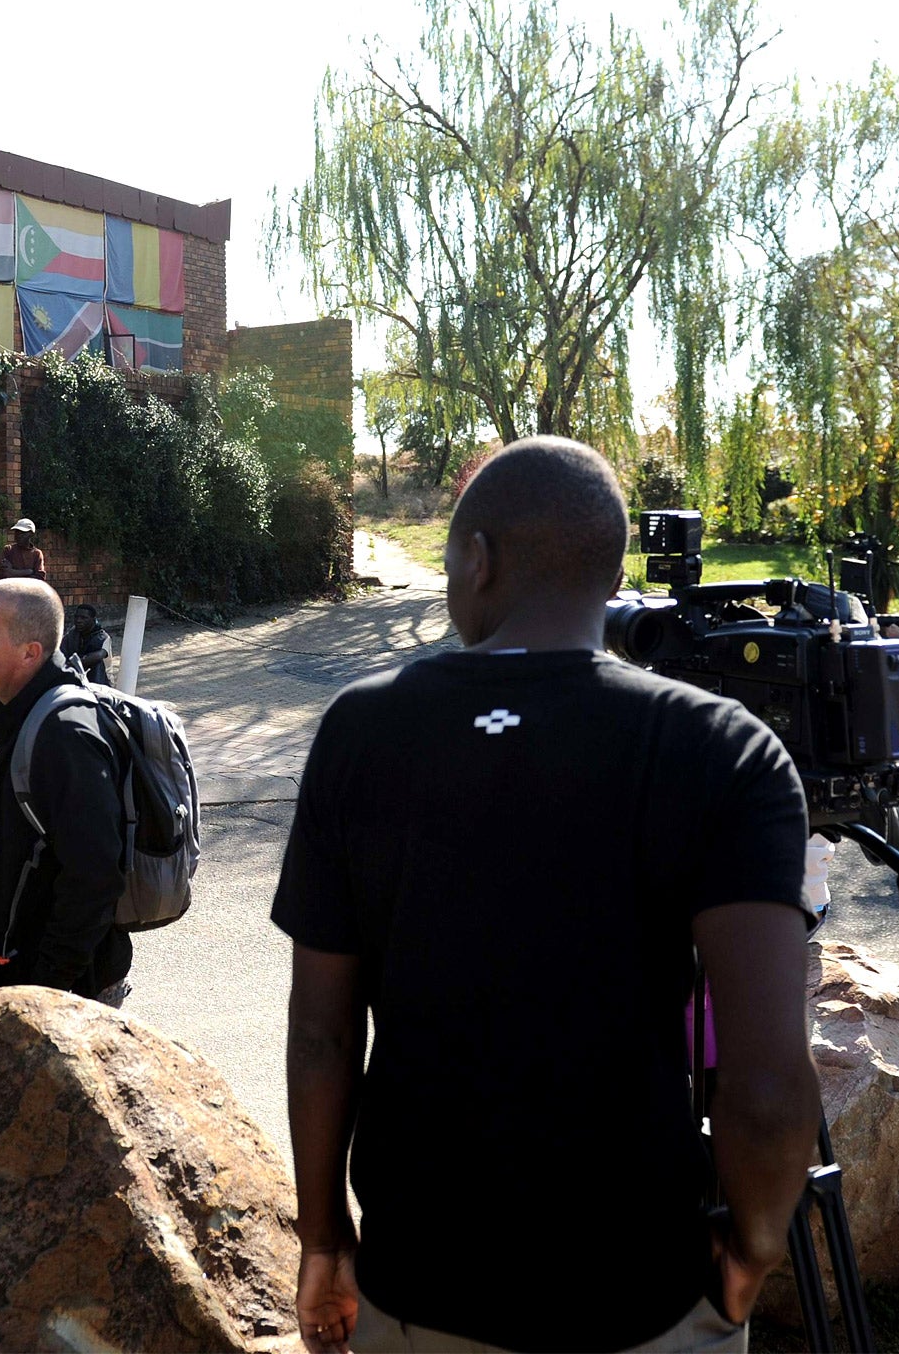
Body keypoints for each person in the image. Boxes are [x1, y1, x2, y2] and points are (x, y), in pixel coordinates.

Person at [275, 437, 819, 1354]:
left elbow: (324, 1035)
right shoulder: (721, 747)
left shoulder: (360, 730)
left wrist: (325, 1238)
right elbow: (766, 1084)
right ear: (609, 574)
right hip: (639, 1296)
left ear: (476, 560)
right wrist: (749, 1261)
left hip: (419, 1289)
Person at [0, 578, 131, 1005]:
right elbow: (39, 829)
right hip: (15, 973)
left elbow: (95, 877)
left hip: (52, 990)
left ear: (30, 652)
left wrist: (43, 993)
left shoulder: (64, 732)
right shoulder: (22, 711)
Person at [60, 603, 111, 684]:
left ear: (93, 619)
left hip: (100, 681)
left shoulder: (103, 637)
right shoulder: (72, 633)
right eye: (76, 617)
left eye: (84, 618)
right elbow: (61, 650)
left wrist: (72, 664)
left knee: (97, 663)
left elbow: (98, 656)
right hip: (77, 675)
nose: (78, 620)